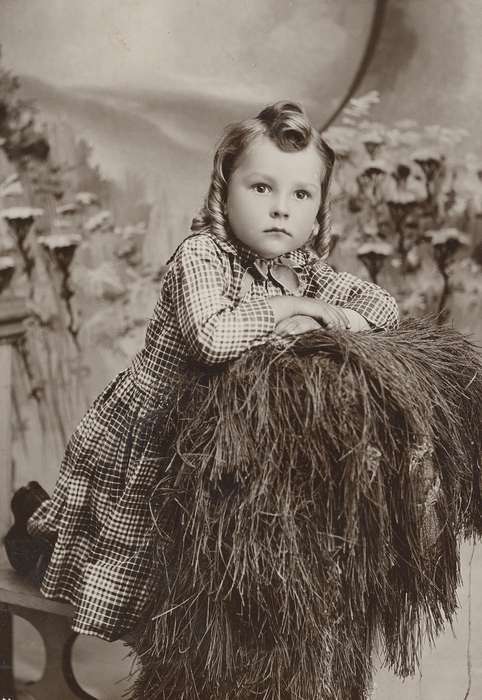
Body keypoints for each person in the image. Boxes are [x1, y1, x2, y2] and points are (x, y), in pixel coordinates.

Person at [13, 100, 398, 643]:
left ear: (318, 212)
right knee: (113, 559)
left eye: (301, 194)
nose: (281, 210)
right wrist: (290, 309)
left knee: (204, 569)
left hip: (218, 446)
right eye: (262, 188)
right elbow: (212, 339)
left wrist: (338, 318)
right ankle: (30, 529)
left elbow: (385, 308)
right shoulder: (202, 256)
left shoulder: (302, 270)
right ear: (225, 188)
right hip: (160, 431)